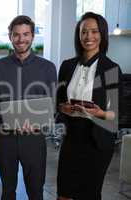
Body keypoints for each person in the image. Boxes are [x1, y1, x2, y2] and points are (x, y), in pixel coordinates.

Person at [0, 15, 57, 200]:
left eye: (25, 34)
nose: (21, 39)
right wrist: (10, 118)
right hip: (5, 138)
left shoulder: (47, 68)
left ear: (32, 36)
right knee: (8, 190)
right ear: (10, 36)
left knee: (36, 191)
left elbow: (52, 103)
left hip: (34, 138)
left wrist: (37, 122)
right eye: (16, 34)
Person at [56, 12, 122, 200]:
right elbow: (58, 103)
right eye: (84, 32)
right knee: (64, 193)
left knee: (89, 195)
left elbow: (114, 116)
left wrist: (99, 112)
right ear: (78, 35)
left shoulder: (110, 68)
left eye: (94, 31)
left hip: (97, 141)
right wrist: (63, 109)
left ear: (102, 35)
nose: (88, 37)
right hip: (71, 138)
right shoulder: (67, 66)